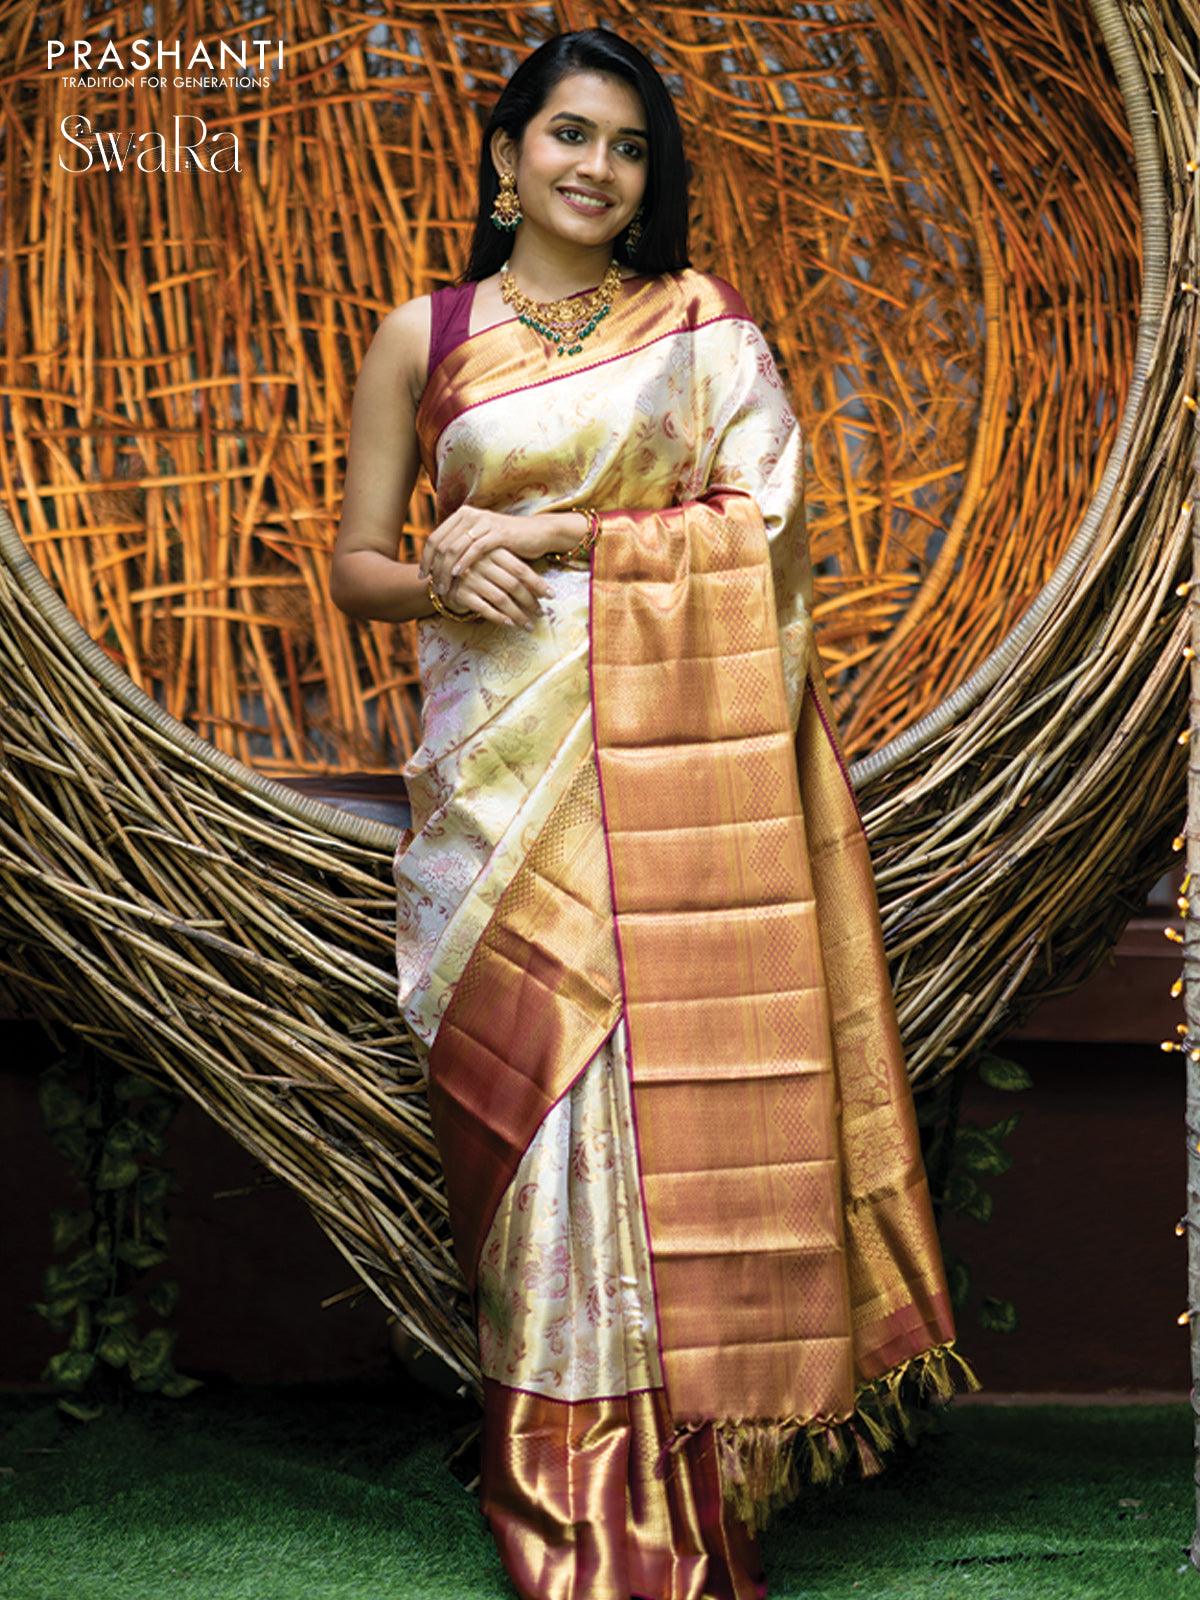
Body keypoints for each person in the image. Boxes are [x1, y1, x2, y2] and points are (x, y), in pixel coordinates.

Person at [331, 26, 980, 1600]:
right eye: (570, 134)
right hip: (495, 793)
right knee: (536, 1130)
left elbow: (764, 528)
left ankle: (687, 1492)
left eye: (629, 148)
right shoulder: (423, 336)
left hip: (674, 783)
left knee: (658, 1108)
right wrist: (444, 572)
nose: (598, 168)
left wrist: (551, 533)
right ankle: (560, 1502)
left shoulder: (699, 326)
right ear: (507, 156)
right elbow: (358, 569)